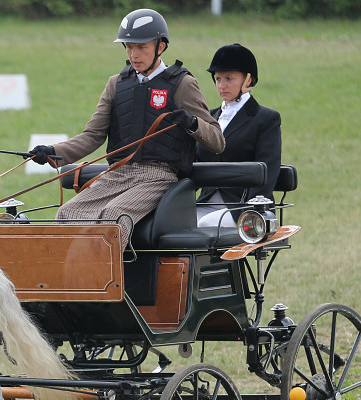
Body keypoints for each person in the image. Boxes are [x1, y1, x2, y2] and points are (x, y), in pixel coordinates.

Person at [29, 8, 224, 249]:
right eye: (129, 47)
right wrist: (52, 151)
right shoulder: (116, 84)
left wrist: (193, 124)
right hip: (117, 174)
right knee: (68, 212)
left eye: (141, 47)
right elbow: (92, 136)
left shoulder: (182, 83)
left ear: (160, 47)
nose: (134, 54)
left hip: (158, 177)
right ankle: (70, 283)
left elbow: (217, 140)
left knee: (114, 216)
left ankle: (108, 285)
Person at [196, 43, 281, 228]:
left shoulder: (265, 119)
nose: (222, 85)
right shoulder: (209, 117)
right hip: (207, 200)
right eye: (218, 79)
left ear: (248, 80)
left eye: (229, 78)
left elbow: (268, 168)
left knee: (204, 224)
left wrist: (252, 210)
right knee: (172, 223)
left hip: (244, 206)